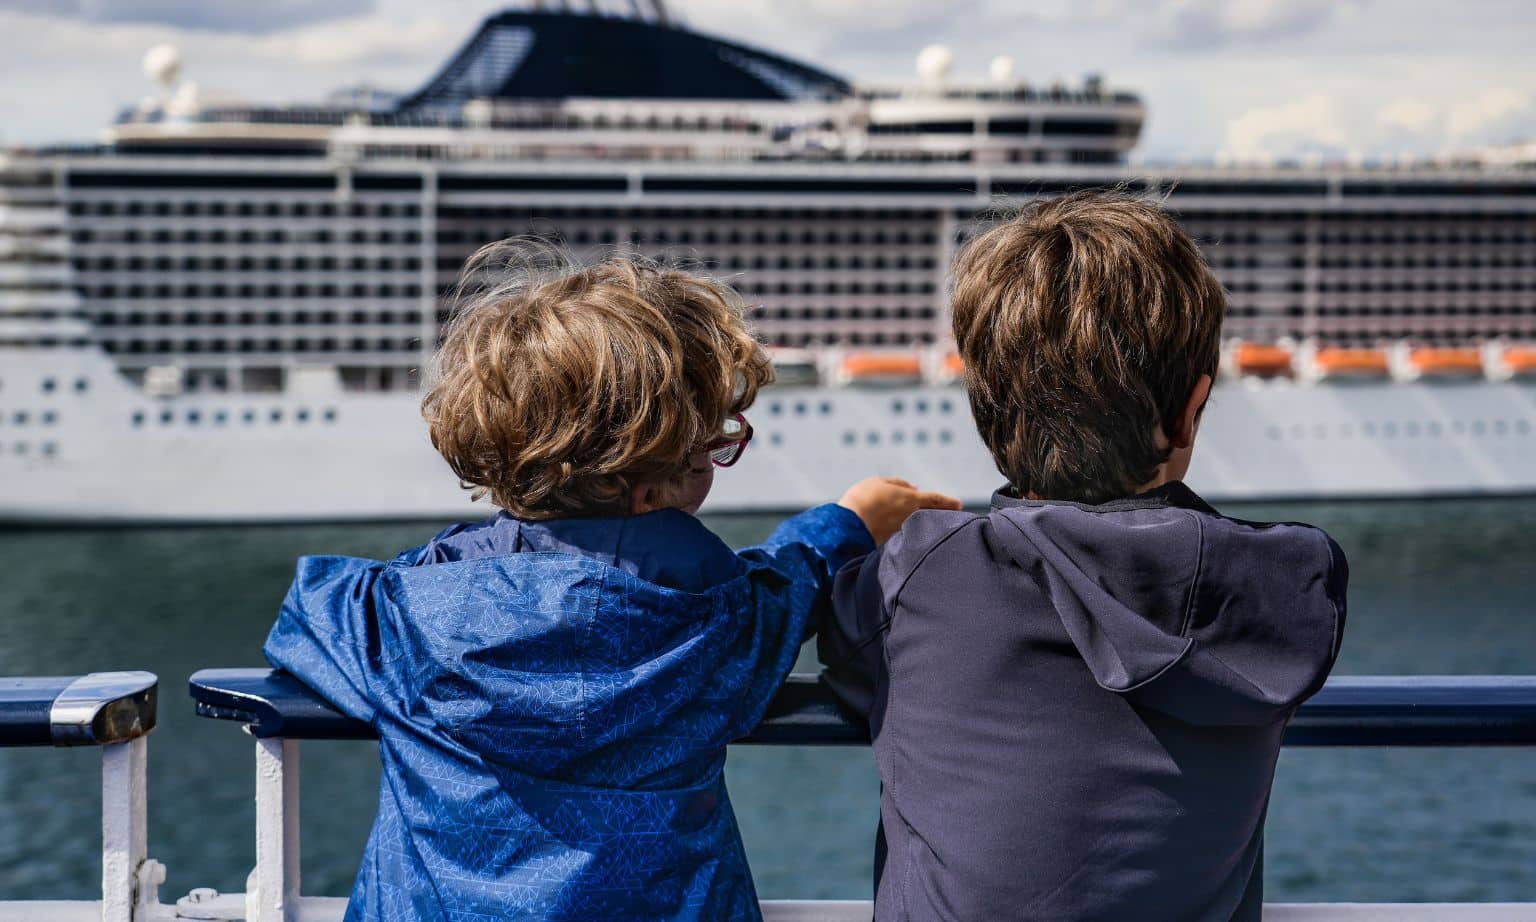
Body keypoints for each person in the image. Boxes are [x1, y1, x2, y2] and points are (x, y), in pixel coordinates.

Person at [263, 245, 961, 921]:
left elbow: (309, 609)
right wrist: (847, 521)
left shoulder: (405, 619)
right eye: (713, 448)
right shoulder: (722, 623)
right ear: (652, 494)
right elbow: (793, 580)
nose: (719, 458)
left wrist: (464, 557)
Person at [820, 192, 1349, 921]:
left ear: (985, 406)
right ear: (1192, 408)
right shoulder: (1282, 586)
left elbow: (849, 662)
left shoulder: (919, 570)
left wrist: (844, 527)